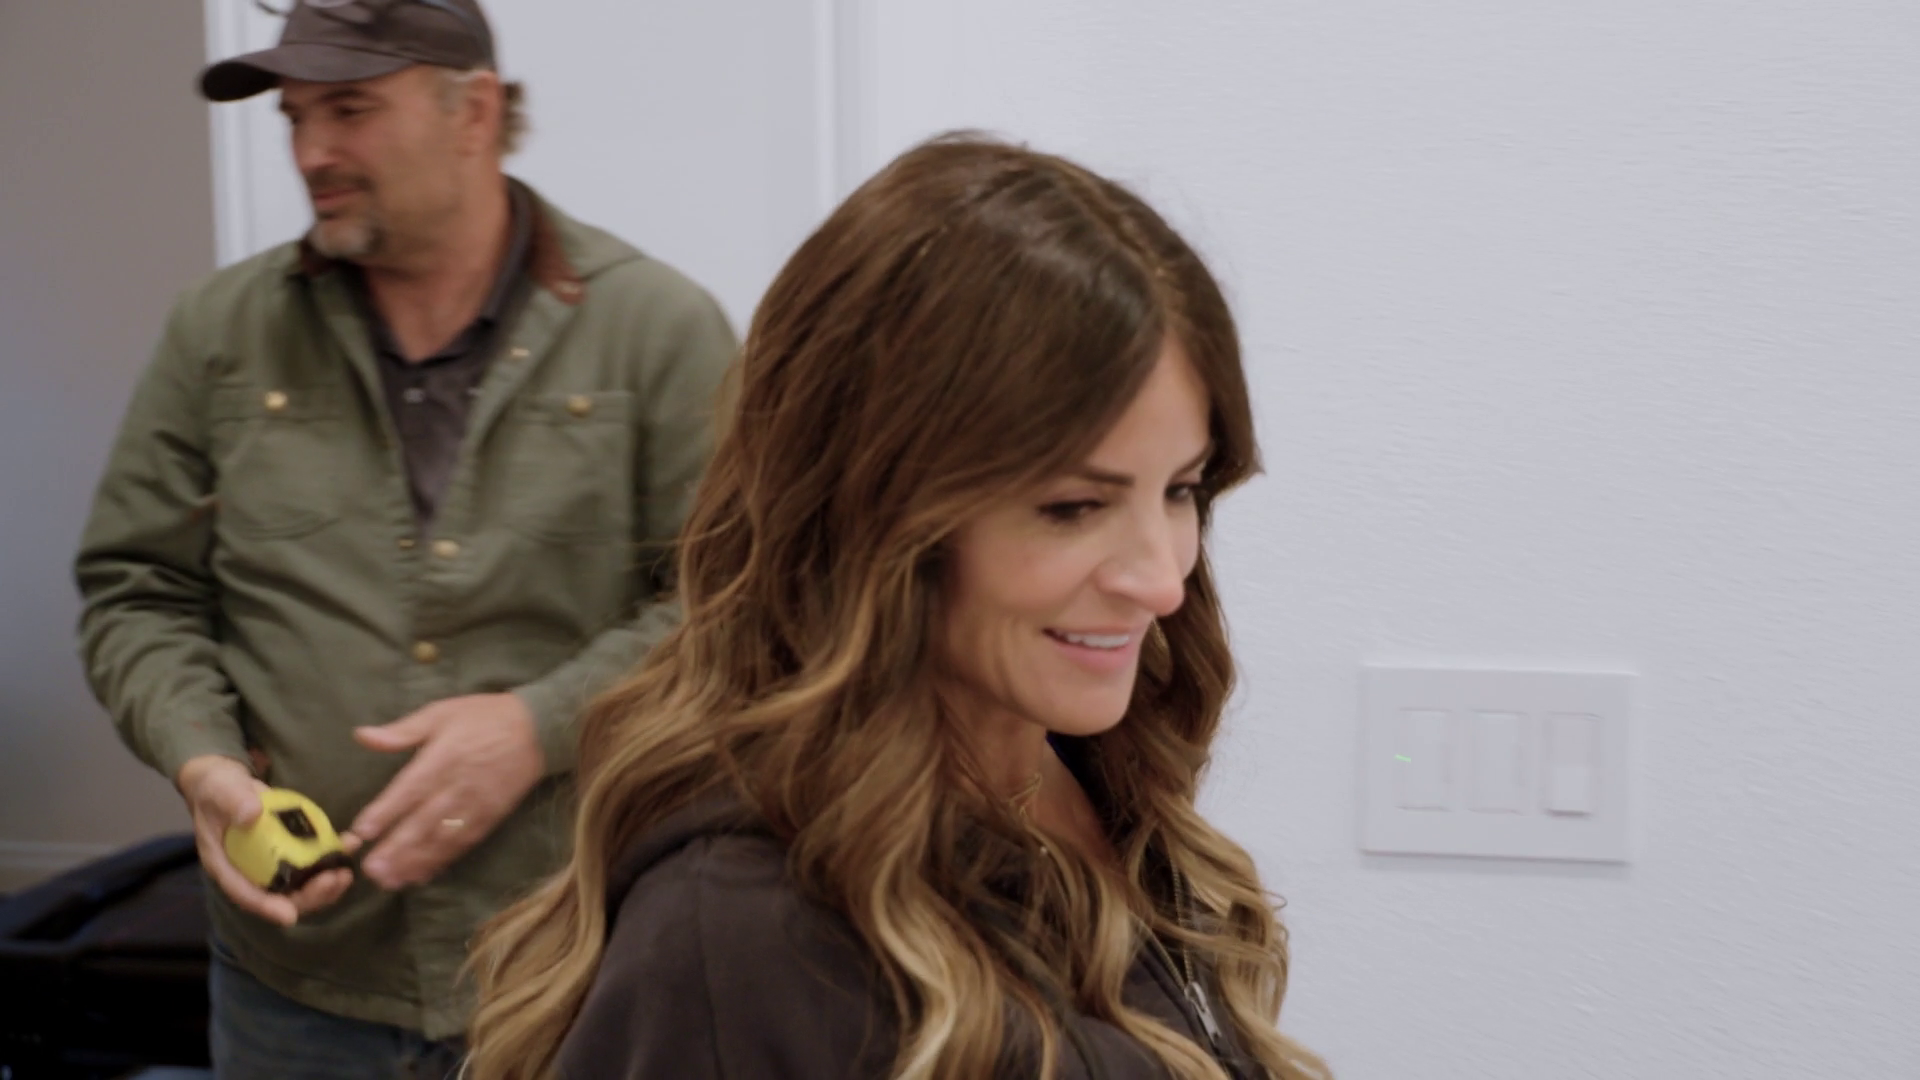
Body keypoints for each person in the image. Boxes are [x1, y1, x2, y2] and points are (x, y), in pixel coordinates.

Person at [465, 134, 1329, 1080]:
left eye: (1181, 490)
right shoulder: (741, 936)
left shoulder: (1089, 775)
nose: (1162, 581)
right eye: (1074, 507)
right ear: (876, 511)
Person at [72, 1, 735, 1076]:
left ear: (473, 112)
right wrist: (201, 761)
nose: (311, 153)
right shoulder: (219, 331)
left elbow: (734, 610)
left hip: (566, 965)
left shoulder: (656, 331)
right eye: (294, 117)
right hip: (294, 983)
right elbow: (137, 592)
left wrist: (537, 728)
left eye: (350, 109)